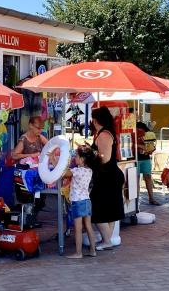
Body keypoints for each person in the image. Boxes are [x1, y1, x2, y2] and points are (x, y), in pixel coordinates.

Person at [89, 106, 125, 250]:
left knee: (97, 209)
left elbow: (104, 158)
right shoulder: (106, 133)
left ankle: (107, 241)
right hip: (109, 176)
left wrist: (90, 156)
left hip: (107, 177)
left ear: (95, 120)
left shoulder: (103, 135)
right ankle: (107, 240)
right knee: (110, 210)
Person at [62, 145, 98, 259]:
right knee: (88, 226)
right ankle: (93, 250)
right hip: (87, 200)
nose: (74, 158)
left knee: (77, 229)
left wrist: (56, 161)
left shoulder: (77, 171)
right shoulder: (89, 171)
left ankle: (78, 253)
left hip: (78, 202)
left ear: (82, 159)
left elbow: (63, 173)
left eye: (76, 156)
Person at [136, 121, 160, 205]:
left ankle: (151, 198)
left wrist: (149, 149)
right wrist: (139, 146)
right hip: (135, 159)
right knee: (136, 179)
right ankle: (136, 200)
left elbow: (151, 144)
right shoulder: (131, 130)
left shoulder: (144, 129)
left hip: (145, 158)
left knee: (148, 177)